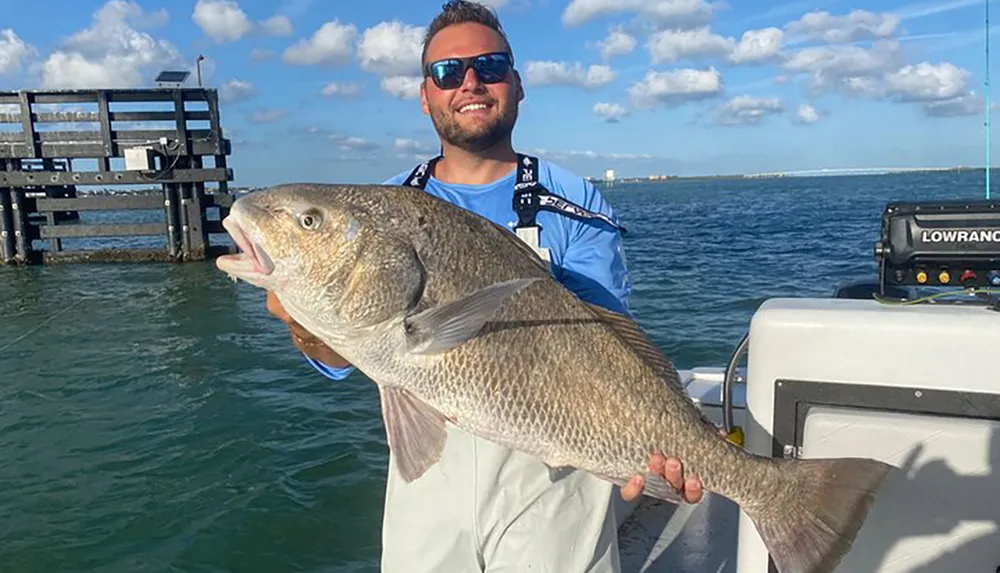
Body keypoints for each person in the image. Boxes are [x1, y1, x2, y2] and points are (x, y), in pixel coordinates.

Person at [265, 1, 706, 570]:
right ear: (426, 95)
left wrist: (649, 446)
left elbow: (608, 351)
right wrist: (302, 324)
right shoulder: (385, 208)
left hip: (559, 478)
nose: (470, 82)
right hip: (428, 482)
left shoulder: (574, 202)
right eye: (448, 72)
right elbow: (345, 355)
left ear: (517, 84)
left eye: (490, 66)